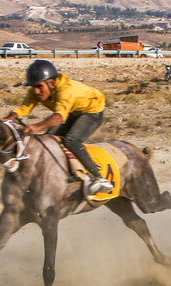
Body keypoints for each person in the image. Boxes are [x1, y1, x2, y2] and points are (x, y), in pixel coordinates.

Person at [11, 59, 114, 196]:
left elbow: (59, 117)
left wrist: (36, 127)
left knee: (71, 140)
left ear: (52, 83)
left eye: (39, 87)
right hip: (72, 111)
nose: (36, 91)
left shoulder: (65, 89)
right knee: (49, 139)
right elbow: (23, 108)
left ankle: (99, 178)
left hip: (92, 111)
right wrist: (6, 120)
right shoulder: (36, 90)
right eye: (33, 87)